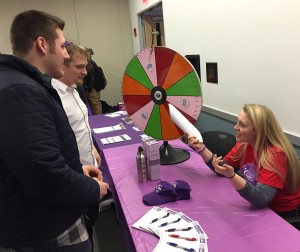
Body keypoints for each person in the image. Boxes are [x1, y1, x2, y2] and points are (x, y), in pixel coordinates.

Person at [0, 10, 109, 251]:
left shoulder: (25, 84)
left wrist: (76, 168)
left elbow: (33, 156)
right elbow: (44, 173)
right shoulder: (20, 90)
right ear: (42, 44)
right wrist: (91, 189)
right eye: (62, 46)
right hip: (44, 227)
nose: (65, 54)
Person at [187, 104, 300, 228]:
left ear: (258, 130)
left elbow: (261, 199)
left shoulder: (275, 155)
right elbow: (222, 169)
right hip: (260, 204)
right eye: (237, 122)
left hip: (280, 213)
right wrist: (201, 149)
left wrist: (232, 176)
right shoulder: (244, 144)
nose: (235, 127)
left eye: (242, 125)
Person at [52, 44, 101, 251]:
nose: (85, 72)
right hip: (74, 175)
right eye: (80, 66)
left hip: (90, 169)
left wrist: (93, 149)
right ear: (63, 64)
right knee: (81, 230)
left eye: (86, 66)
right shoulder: (52, 96)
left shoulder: (77, 89)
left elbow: (82, 125)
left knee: (90, 221)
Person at [83, 48, 107, 114]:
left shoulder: (89, 63)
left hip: (93, 88)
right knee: (97, 103)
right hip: (96, 86)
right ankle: (100, 117)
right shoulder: (92, 62)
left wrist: (89, 89)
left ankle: (98, 119)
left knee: (95, 104)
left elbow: (91, 78)